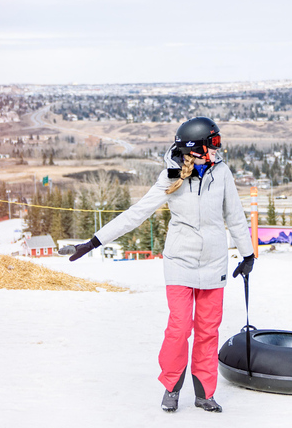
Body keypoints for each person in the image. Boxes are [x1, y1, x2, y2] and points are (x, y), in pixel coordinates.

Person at [62, 117, 256, 414]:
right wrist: (93, 242)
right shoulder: (170, 177)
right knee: (179, 329)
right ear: (195, 148)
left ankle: (205, 393)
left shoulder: (223, 173)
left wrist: (247, 255)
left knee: (208, 330)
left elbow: (235, 216)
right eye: (213, 143)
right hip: (180, 261)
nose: (219, 149)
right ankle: (171, 387)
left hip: (214, 262)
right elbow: (136, 213)